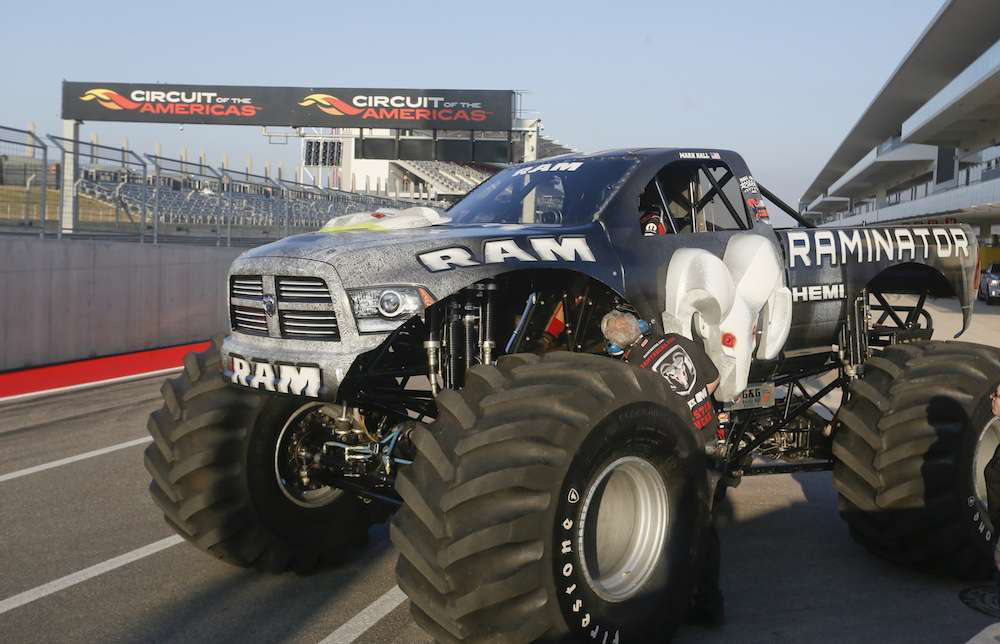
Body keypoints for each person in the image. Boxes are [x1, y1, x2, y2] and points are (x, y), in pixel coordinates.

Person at [600, 310, 724, 626]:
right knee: (706, 524)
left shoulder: (636, 373)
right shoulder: (676, 341)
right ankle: (706, 599)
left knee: (687, 529)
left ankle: (706, 604)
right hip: (711, 438)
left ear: (614, 347)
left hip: (685, 452)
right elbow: (713, 379)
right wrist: (694, 404)